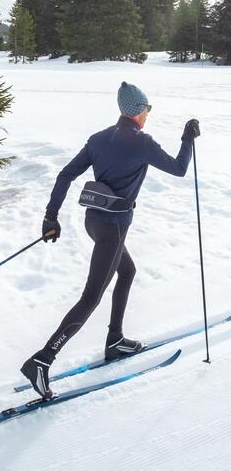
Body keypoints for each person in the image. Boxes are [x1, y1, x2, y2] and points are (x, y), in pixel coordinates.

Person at [20, 81, 200, 400]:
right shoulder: (142, 142)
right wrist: (187, 138)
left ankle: (115, 340)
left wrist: (51, 216)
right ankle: (41, 360)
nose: (148, 114)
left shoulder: (99, 138)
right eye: (148, 109)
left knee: (127, 272)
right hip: (114, 228)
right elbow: (180, 169)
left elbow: (65, 175)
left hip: (95, 223)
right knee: (91, 297)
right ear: (138, 111)